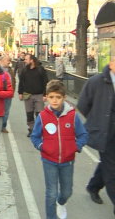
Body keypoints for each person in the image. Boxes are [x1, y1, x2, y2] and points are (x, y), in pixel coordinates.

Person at [31, 80, 88, 219]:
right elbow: (35, 136)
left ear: (64, 98)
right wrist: (42, 147)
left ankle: (61, 203)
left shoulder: (72, 115)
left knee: (66, 192)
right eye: (51, 97)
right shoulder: (43, 116)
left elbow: (83, 135)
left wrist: (75, 147)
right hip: (48, 160)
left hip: (67, 162)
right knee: (51, 193)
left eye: (58, 97)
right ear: (47, 97)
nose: (54, 100)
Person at [78, 56, 115, 213]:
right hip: (105, 134)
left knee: (108, 165)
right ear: (112, 63)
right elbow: (83, 104)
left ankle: (93, 186)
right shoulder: (96, 81)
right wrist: (97, 122)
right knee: (112, 171)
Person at [18, 54, 49, 137]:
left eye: (26, 59)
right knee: (29, 113)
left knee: (39, 114)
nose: (25, 61)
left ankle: (39, 130)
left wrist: (45, 94)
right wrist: (20, 93)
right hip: (28, 95)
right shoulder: (25, 70)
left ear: (32, 60)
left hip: (39, 95)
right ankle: (31, 129)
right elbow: (21, 82)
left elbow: (45, 82)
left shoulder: (40, 70)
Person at [0, 55, 16, 133]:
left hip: (8, 93)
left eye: (10, 60)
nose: (9, 62)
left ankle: (3, 126)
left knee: (6, 111)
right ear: (2, 60)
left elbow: (13, 80)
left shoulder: (10, 69)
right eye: (8, 60)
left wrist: (13, 90)